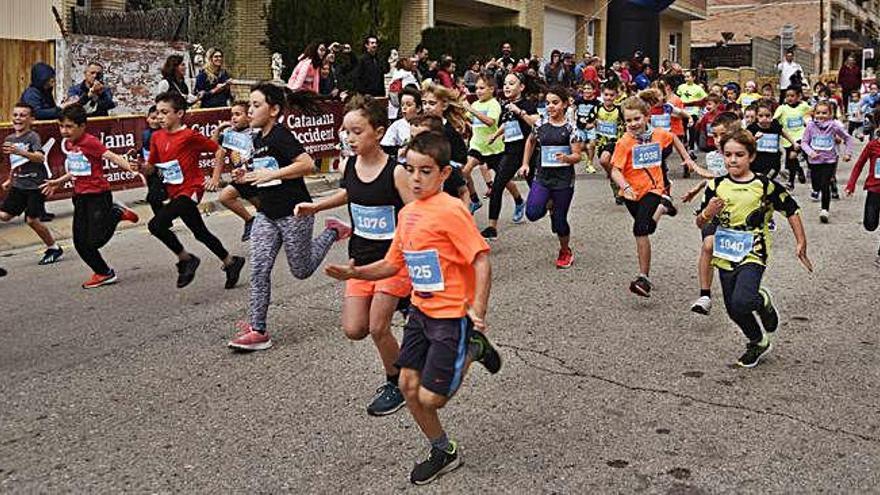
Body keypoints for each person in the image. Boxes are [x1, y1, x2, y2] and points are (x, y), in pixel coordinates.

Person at [324, 131, 501, 485]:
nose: (416, 179)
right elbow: (393, 265)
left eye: (426, 171)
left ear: (444, 174)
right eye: (411, 170)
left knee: (432, 397)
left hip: (452, 314)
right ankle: (443, 449)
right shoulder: (407, 215)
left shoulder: (451, 210)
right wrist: (355, 272)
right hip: (421, 312)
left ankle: (473, 347)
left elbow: (481, 260)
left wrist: (478, 310)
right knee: (407, 385)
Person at [295, 96, 412, 414]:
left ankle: (397, 381)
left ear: (379, 131)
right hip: (359, 259)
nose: (349, 138)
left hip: (392, 262)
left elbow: (416, 214)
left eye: (357, 131)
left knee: (377, 327)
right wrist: (316, 206)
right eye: (346, 131)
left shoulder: (396, 173)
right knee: (354, 329)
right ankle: (406, 304)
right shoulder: (349, 165)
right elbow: (350, 192)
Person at [226, 83, 350, 351]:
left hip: (295, 212)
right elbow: (262, 174)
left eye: (256, 105)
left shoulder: (281, 136)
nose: (250, 110)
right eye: (250, 105)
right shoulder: (256, 138)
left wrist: (271, 175)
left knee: (301, 270)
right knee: (259, 269)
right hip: (267, 214)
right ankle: (258, 329)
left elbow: (307, 164)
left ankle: (333, 231)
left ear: (274, 110)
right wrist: (245, 177)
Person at [696, 129, 811, 367]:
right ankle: (758, 341)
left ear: (751, 156)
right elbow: (700, 221)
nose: (733, 160)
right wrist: (708, 213)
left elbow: (791, 208)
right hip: (725, 252)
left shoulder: (764, 185)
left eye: (739, 154)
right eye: (728, 154)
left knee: (744, 300)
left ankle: (761, 300)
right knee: (733, 310)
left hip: (753, 250)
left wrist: (801, 242)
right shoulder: (715, 185)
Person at [145, 91, 244, 289]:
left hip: (190, 189)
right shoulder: (156, 137)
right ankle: (231, 262)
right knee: (200, 232)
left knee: (156, 225)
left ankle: (186, 259)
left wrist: (215, 178)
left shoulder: (188, 135)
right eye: (157, 113)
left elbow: (219, 150)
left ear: (179, 113)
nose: (159, 117)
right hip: (173, 189)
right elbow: (151, 166)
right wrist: (139, 167)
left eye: (165, 112)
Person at [39, 104, 139, 288]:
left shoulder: (90, 141)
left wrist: (130, 168)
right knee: (80, 242)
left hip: (98, 196)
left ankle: (116, 214)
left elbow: (111, 156)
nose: (64, 131)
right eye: (61, 126)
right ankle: (104, 273)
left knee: (95, 240)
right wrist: (59, 181)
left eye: (69, 126)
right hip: (80, 196)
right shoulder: (71, 143)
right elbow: (78, 169)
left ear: (82, 126)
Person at [610, 96, 695, 297]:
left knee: (640, 229)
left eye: (637, 119)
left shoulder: (658, 134)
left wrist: (687, 159)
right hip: (631, 192)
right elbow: (615, 170)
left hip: (654, 188)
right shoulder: (624, 142)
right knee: (647, 227)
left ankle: (643, 278)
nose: (633, 124)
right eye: (628, 121)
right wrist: (625, 186)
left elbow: (673, 137)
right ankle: (664, 207)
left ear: (647, 116)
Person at [519, 86, 583, 268]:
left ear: (564, 104)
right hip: (542, 177)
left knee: (560, 221)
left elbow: (577, 155)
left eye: (555, 103)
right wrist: (525, 163)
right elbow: (530, 141)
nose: (550, 106)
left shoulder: (571, 129)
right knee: (532, 213)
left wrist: (567, 158)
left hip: (563, 180)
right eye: (547, 103)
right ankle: (549, 204)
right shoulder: (540, 125)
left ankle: (565, 250)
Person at [1, 102, 62, 264]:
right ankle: (53, 248)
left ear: (31, 120)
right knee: (5, 216)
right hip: (19, 185)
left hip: (36, 186)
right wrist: (9, 179)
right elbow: (15, 162)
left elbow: (40, 157)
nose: (18, 118)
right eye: (15, 115)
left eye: (22, 115)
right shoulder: (9, 139)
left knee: (31, 220)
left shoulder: (32, 137)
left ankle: (54, 248)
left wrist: (20, 151)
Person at [480, 72, 537, 240]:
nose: (506, 87)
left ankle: (552, 211)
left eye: (511, 83)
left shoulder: (528, 104)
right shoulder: (506, 105)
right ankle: (492, 228)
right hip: (510, 152)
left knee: (536, 190)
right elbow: (507, 123)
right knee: (497, 187)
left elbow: (536, 123)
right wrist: (496, 135)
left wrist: (520, 111)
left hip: (528, 152)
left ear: (522, 87)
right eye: (505, 83)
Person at [462, 74, 518, 214]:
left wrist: (470, 110)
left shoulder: (494, 104)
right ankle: (474, 199)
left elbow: (490, 122)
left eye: (482, 88)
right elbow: (468, 118)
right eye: (477, 88)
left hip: (494, 148)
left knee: (503, 180)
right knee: (464, 172)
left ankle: (519, 200)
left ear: (491, 89)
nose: (478, 91)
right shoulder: (475, 104)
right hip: (477, 146)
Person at [800, 100, 854, 223]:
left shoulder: (834, 126)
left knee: (825, 184)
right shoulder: (810, 126)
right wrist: (810, 152)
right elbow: (804, 142)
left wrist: (848, 153)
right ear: (814, 113)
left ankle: (824, 210)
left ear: (830, 114)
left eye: (824, 113)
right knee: (816, 184)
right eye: (818, 112)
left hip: (830, 160)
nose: (821, 116)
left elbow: (848, 138)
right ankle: (816, 189)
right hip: (814, 161)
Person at [214, 101, 260, 241]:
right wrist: (218, 130)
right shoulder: (229, 133)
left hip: (256, 176)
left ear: (248, 116)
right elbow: (214, 147)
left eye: (238, 114)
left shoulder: (255, 132)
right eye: (232, 115)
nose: (233, 118)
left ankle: (276, 230)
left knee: (265, 209)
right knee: (225, 197)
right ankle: (250, 220)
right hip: (240, 177)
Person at [420, 83, 470, 203]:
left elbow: (461, 158)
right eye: (424, 103)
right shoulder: (420, 127)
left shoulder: (449, 131)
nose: (427, 107)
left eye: (432, 103)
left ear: (444, 105)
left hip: (447, 185)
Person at [845, 130, 880, 267]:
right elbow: (859, 164)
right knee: (870, 225)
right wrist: (851, 184)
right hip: (874, 191)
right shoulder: (872, 146)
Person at [747, 100, 798, 180]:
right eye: (761, 116)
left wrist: (794, 143)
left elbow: (783, 133)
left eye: (767, 115)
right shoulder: (752, 128)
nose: (764, 118)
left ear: (772, 115)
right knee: (758, 181)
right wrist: (755, 138)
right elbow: (746, 143)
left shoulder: (775, 125)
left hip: (773, 162)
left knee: (766, 180)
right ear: (756, 116)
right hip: (757, 161)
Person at [774, 87, 812, 188]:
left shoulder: (803, 106)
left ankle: (791, 182)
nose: (789, 98)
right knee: (790, 162)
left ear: (798, 97)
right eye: (787, 96)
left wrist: (808, 121)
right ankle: (799, 170)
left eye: (792, 96)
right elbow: (774, 120)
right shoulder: (782, 108)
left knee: (793, 156)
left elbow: (811, 112)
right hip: (787, 138)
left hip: (801, 135)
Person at [596, 82, 626, 203]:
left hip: (616, 143)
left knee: (606, 160)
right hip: (601, 143)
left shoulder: (619, 110)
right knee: (605, 162)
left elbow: (627, 123)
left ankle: (620, 187)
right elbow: (586, 123)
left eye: (611, 95)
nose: (608, 97)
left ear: (616, 96)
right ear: (602, 94)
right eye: (606, 94)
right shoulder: (597, 108)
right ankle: (615, 181)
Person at [140, 105, 166, 215]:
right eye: (152, 118)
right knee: (154, 198)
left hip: (161, 170)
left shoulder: (164, 133)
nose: (154, 121)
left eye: (157, 118)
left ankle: (163, 219)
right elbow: (145, 150)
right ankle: (163, 220)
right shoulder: (145, 133)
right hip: (149, 169)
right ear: (147, 118)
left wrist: (161, 166)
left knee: (153, 197)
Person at [381, 86, 420, 156]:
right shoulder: (397, 125)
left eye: (409, 105)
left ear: (418, 108)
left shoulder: (426, 124)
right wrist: (399, 150)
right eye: (402, 105)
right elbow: (385, 146)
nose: (404, 108)